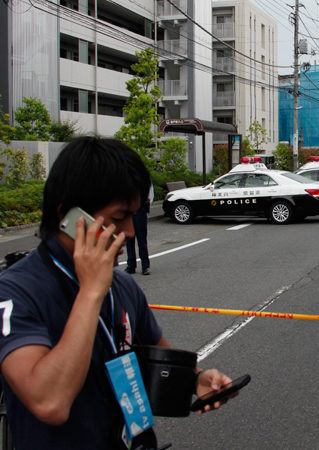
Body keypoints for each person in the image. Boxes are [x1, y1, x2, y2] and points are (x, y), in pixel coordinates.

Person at [0, 137, 235, 449]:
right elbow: (49, 402)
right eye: (117, 218)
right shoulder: (16, 290)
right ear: (69, 217)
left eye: (133, 217)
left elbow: (159, 352)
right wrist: (91, 292)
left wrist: (196, 379)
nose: (129, 232)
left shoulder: (122, 285)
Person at [126, 184, 154, 275]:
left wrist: (146, 204)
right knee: (129, 238)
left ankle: (145, 265)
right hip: (127, 210)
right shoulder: (124, 174)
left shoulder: (143, 176)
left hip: (140, 209)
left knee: (141, 238)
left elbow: (150, 193)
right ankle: (131, 265)